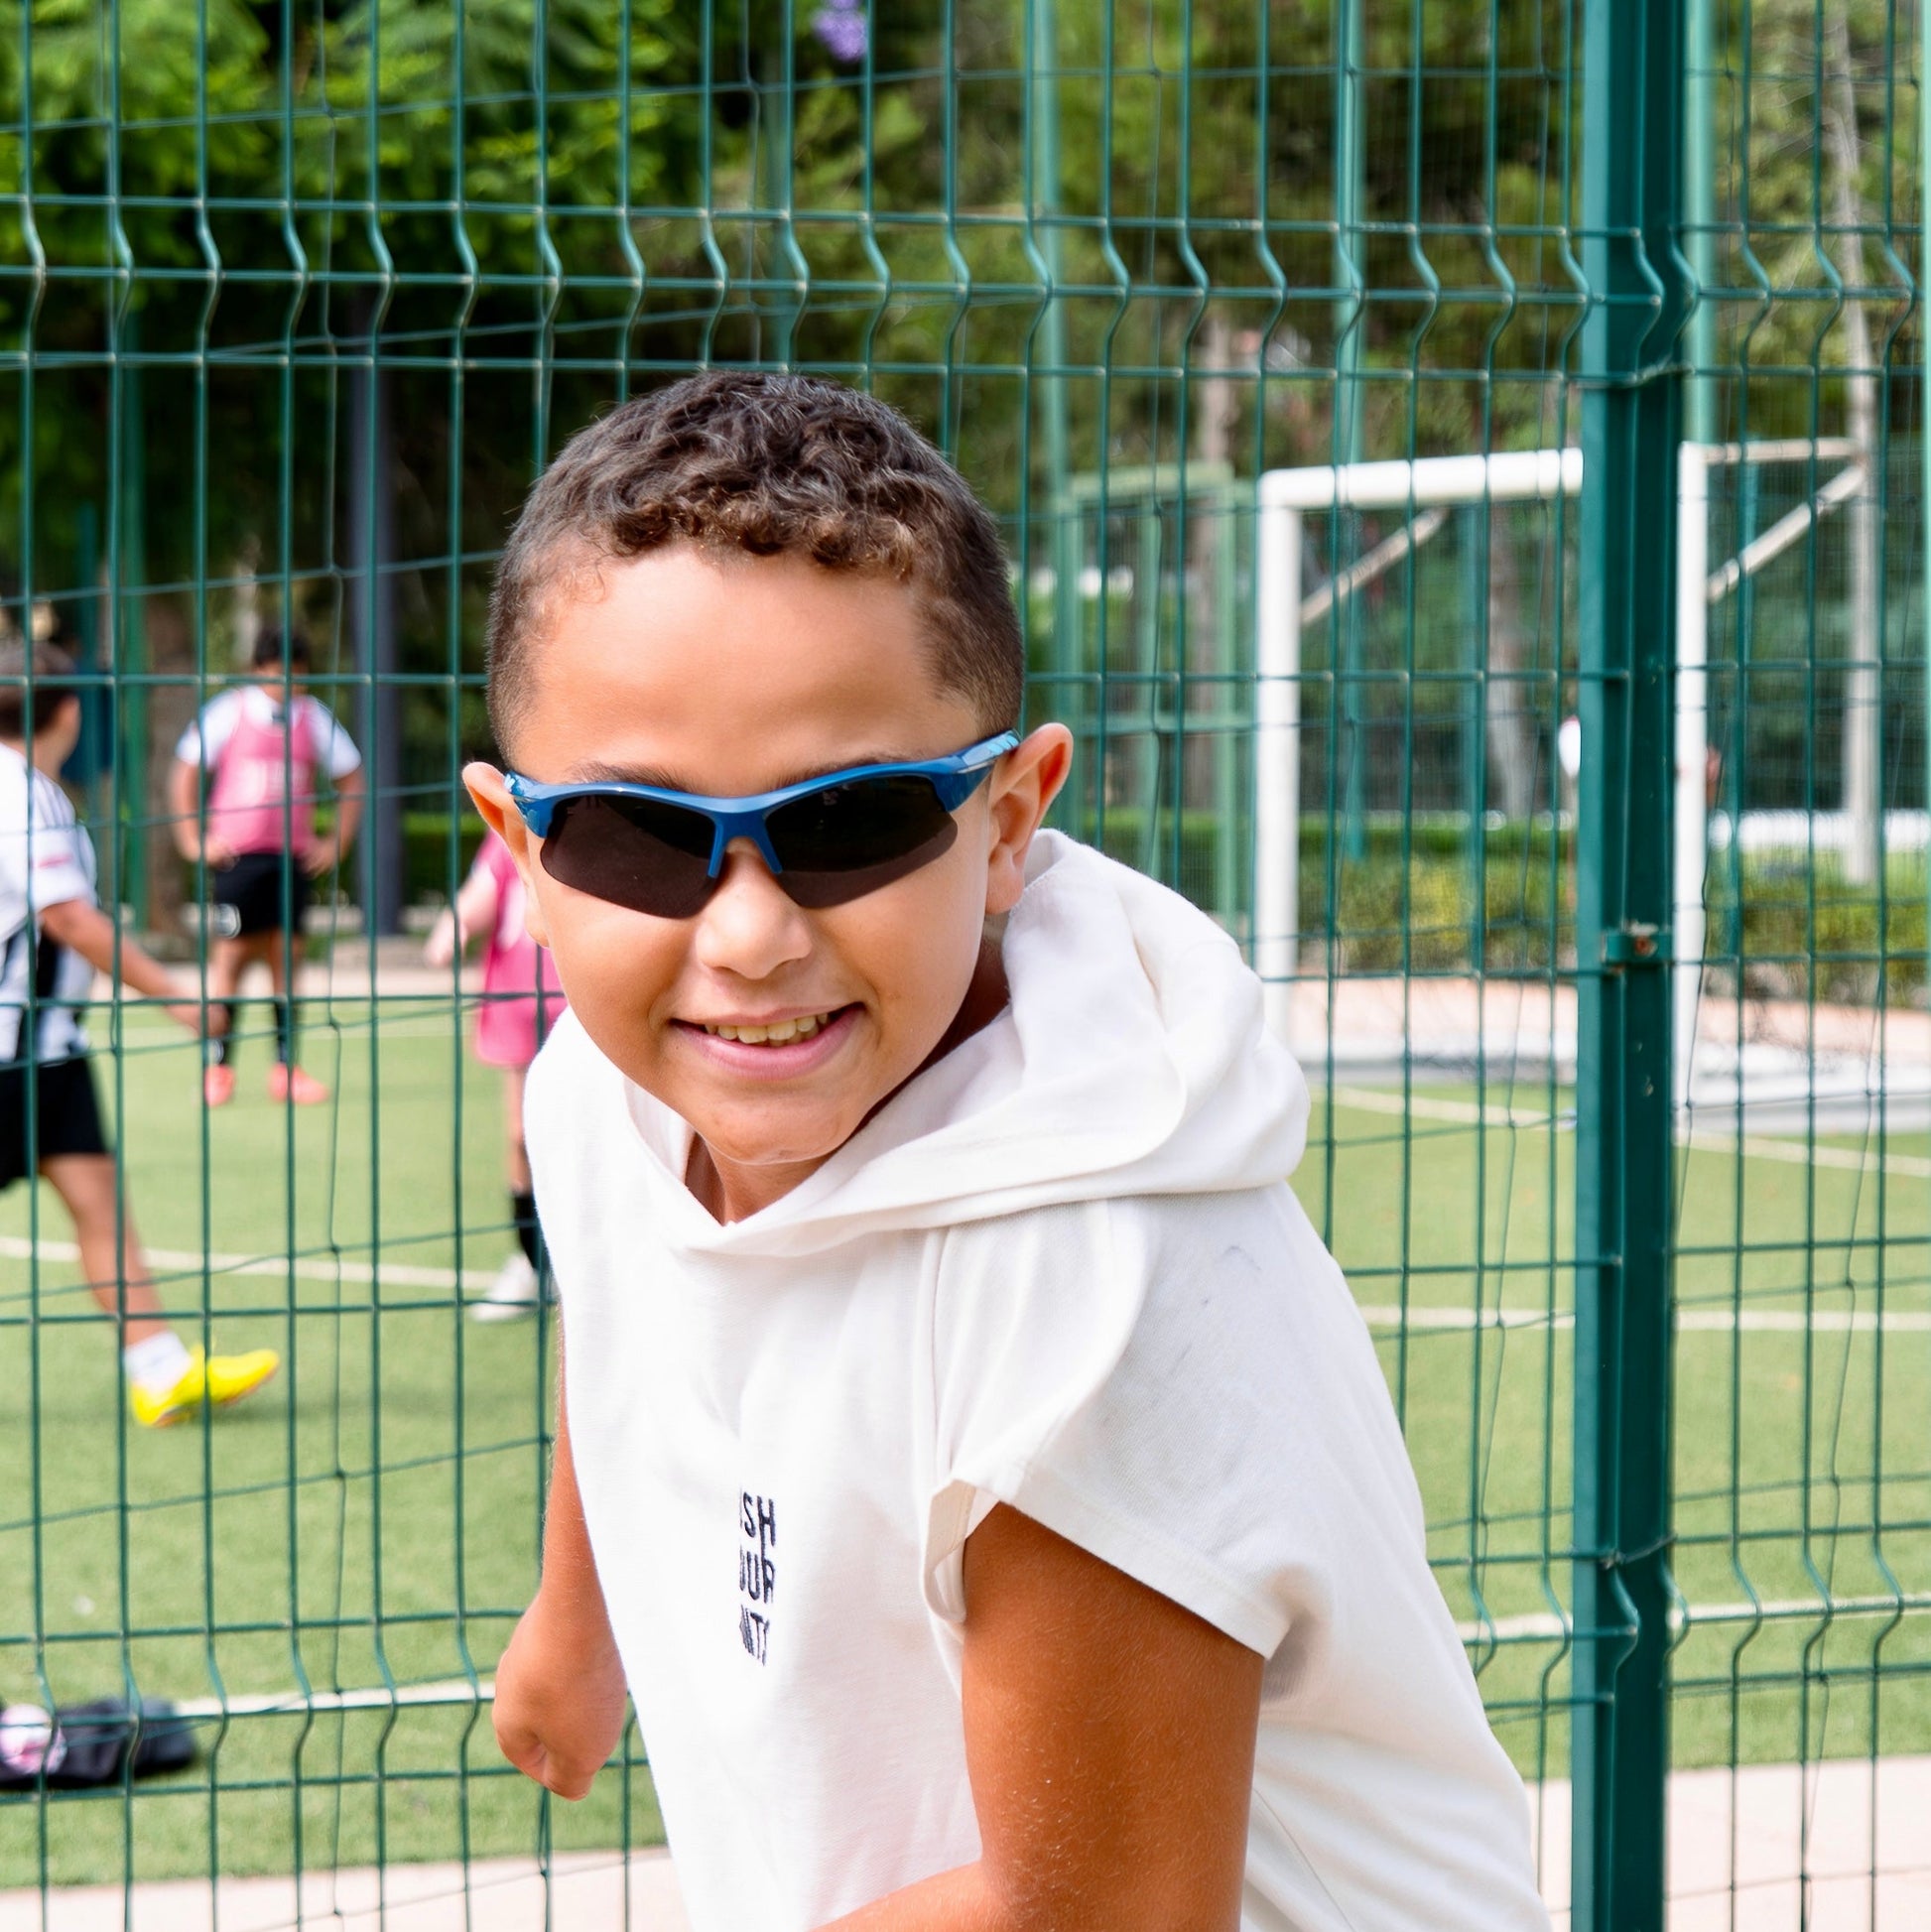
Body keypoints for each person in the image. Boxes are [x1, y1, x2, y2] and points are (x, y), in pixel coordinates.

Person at [468, 374, 1550, 1931]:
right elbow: (637, 1285)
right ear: (525, 853)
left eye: (848, 820)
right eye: (639, 833)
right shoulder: (600, 1082)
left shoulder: (1090, 1284)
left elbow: (1099, 1912)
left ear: (1008, 814)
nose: (752, 934)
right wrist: (575, 1623)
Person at [0, 642, 280, 1429]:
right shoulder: (25, 795)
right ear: (70, 711)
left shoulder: (27, 789)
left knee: (100, 1203)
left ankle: (158, 1368)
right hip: (12, 1055)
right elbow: (69, 918)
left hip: (47, 1052)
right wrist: (177, 997)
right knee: (97, 1204)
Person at [167, 625, 363, 1108]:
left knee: (288, 961)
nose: (289, 685)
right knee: (228, 962)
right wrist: (192, 839)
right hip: (238, 861)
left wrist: (335, 840)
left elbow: (352, 778)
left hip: (290, 861)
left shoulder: (313, 718)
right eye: (279, 674)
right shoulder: (228, 712)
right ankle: (218, 1068)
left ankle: (286, 1069)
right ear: (258, 671)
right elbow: (183, 771)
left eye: (298, 675)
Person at [423, 829, 567, 1321]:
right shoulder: (508, 826)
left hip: (586, 1007)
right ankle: (532, 1263)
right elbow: (483, 889)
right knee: (522, 1135)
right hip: (520, 1006)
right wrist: (455, 926)